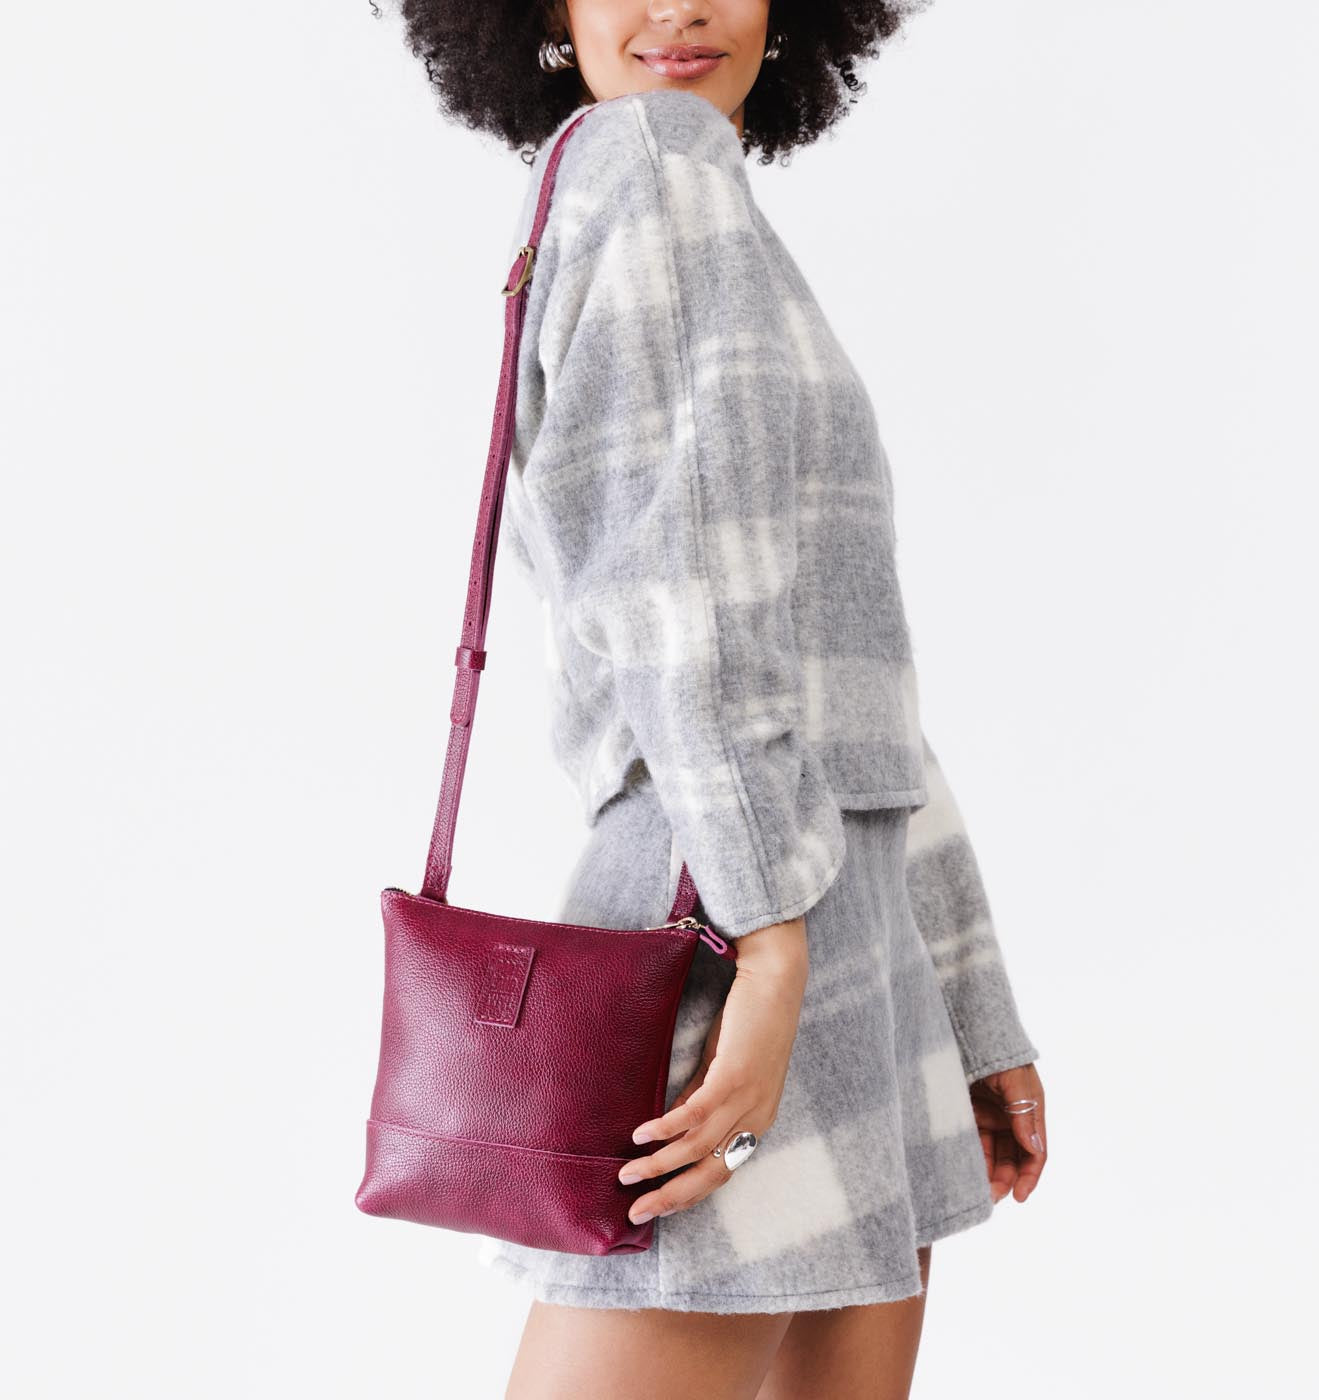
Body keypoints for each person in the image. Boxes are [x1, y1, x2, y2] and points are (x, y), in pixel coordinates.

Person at [388, 3, 1047, 1396]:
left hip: (811, 930)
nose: (679, 5)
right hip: (736, 934)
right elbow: (683, 605)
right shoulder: (650, 164)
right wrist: (772, 952)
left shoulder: (677, 191)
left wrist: (963, 1007)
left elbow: (850, 679)